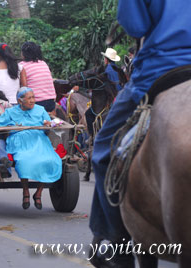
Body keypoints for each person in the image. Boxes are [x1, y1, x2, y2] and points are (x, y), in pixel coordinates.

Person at [89, 1, 191, 267]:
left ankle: (117, 247)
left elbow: (135, 25)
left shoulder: (109, 67)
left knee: (102, 150)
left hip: (161, 70)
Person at [0, 87, 62, 210]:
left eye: (33, 97)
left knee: (50, 160)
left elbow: (48, 126)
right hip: (19, 141)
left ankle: (39, 193)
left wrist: (47, 126)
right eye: (29, 98)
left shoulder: (41, 110)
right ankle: (26, 192)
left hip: (39, 140)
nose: (32, 100)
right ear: (20, 101)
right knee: (23, 161)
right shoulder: (11, 112)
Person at [19, 42, 56, 112]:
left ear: (23, 53)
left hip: (36, 103)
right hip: (51, 103)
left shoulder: (21, 66)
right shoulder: (43, 63)